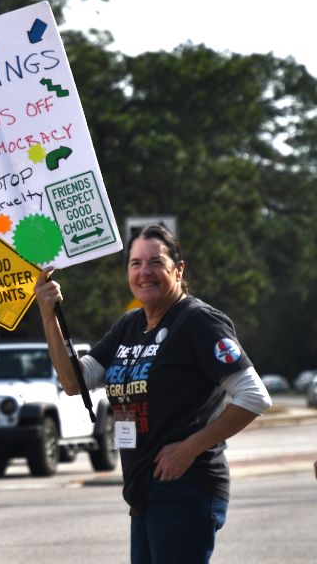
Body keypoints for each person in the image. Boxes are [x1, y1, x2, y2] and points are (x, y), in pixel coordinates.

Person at [33, 224, 272, 563]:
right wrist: (48, 313)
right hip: (144, 489)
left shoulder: (198, 322)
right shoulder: (129, 326)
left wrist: (189, 448)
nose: (144, 272)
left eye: (155, 262)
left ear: (179, 269)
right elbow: (75, 382)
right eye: (135, 263)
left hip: (186, 488)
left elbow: (254, 396)